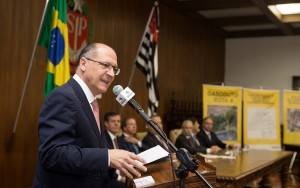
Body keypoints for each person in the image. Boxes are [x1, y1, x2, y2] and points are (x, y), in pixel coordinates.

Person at [32, 43, 147, 188]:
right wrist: (107, 157)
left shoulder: (89, 102)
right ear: (83, 63)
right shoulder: (63, 96)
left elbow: (90, 148)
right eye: (105, 65)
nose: (111, 74)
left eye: (114, 69)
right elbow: (52, 154)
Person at [103, 111, 126, 187]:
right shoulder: (102, 139)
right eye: (113, 121)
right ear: (106, 123)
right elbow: (105, 165)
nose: (117, 124)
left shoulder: (119, 139)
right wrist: (120, 178)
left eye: (118, 121)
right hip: (109, 178)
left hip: (121, 174)